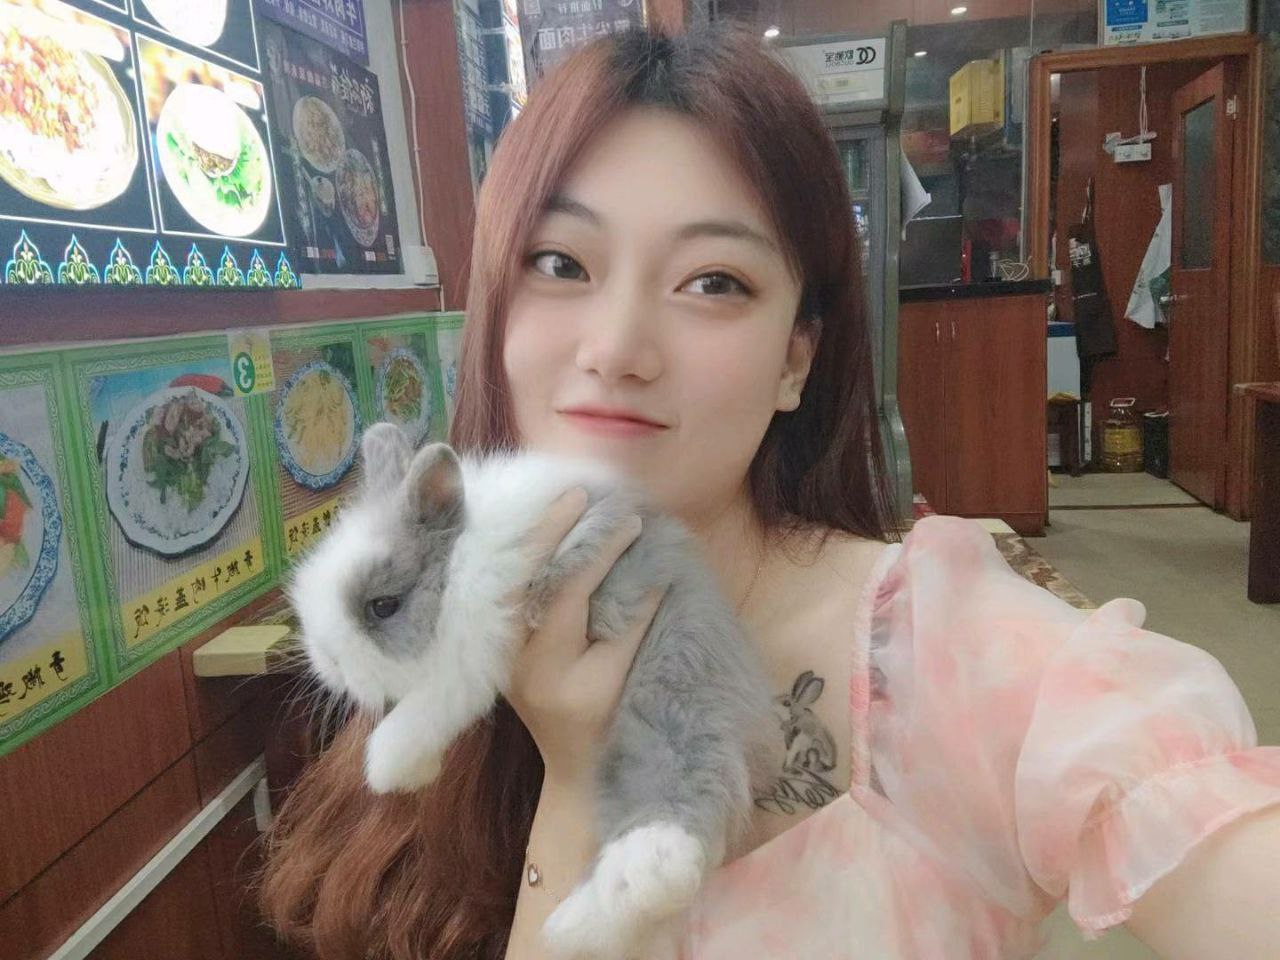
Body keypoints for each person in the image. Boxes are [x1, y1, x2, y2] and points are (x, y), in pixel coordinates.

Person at [260, 26, 1280, 960]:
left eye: (713, 282)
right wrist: (573, 788)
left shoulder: (946, 650)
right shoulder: (422, 630)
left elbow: (1172, 804)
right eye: (560, 263)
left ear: (795, 359)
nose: (616, 348)